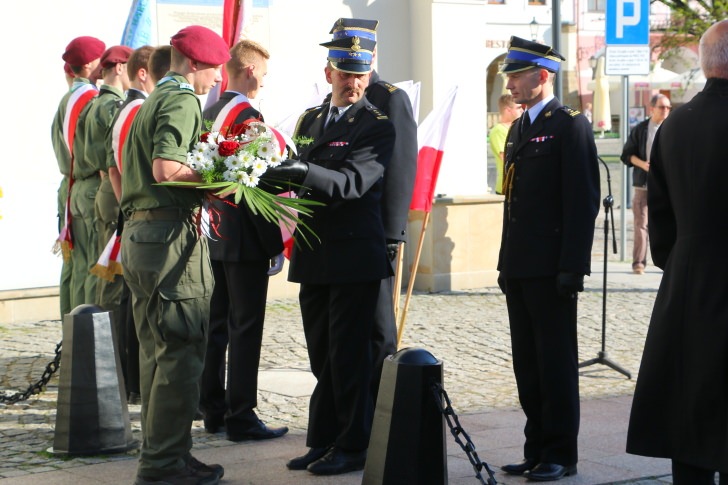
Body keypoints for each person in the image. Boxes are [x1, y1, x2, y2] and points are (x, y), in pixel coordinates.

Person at [261, 32, 395, 476]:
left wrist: (303, 171)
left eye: (360, 75)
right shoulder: (311, 119)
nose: (352, 83)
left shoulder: (376, 124)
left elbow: (353, 183)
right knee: (321, 355)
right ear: (329, 74)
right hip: (316, 254)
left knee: (349, 356)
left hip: (355, 258)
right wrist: (263, 175)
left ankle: (353, 445)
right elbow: (295, 176)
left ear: (368, 75)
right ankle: (322, 440)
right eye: (345, 74)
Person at [120, 25, 230, 485]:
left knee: (156, 353)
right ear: (198, 65)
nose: (216, 81)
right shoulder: (182, 98)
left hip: (143, 236)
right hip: (168, 240)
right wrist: (221, 177)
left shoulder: (150, 101)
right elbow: (166, 167)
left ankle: (170, 454)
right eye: (215, 71)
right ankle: (163, 464)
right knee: (180, 353)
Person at [626, 20, 728, 485]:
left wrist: (682, 260)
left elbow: (659, 214)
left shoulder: (675, 123)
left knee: (690, 407)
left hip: (688, 281)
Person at [496, 36, 600, 482]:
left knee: (555, 364)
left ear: (541, 76)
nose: (511, 84)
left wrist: (571, 267)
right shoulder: (519, 127)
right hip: (520, 265)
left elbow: (583, 201)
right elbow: (512, 202)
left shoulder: (569, 125)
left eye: (517, 76)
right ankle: (536, 446)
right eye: (509, 77)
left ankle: (560, 453)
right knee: (528, 364)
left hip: (551, 267)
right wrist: (504, 263)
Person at [198, 39, 288, 442]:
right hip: (243, 238)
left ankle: (212, 408)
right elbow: (258, 183)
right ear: (250, 71)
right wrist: (274, 243)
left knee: (215, 325)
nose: (264, 84)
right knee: (245, 327)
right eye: (263, 75)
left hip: (211, 232)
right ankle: (241, 415)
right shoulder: (247, 115)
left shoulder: (209, 110)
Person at [325, 17, 418, 404]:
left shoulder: (388, 97)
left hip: (374, 232)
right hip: (340, 236)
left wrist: (392, 233)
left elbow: (401, 167)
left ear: (373, 52)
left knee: (378, 328)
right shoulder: (334, 95)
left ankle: (381, 411)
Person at [103, 44, 164, 405]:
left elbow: (112, 167)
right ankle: (137, 383)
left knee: (131, 298)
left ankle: (132, 381)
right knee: (135, 302)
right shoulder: (139, 109)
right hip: (140, 212)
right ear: (145, 72)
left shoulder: (126, 107)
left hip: (130, 210)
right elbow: (123, 168)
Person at [51, 36, 105, 316]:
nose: (105, 65)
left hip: (70, 187)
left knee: (73, 265)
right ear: (87, 65)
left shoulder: (67, 99)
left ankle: (71, 336)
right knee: (92, 266)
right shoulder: (91, 99)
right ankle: (86, 341)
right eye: (101, 60)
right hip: (90, 186)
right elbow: (98, 153)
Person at [87, 45, 132, 317]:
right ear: (119, 67)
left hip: (101, 189)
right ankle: (111, 350)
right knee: (114, 276)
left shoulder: (94, 103)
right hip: (113, 190)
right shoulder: (114, 105)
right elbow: (112, 159)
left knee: (106, 272)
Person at [619, 93, 671, 275]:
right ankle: (638, 262)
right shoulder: (641, 129)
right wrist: (643, 165)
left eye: (668, 108)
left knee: (667, 224)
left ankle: (668, 263)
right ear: (652, 109)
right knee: (641, 225)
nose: (666, 111)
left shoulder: (672, 129)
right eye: (662, 107)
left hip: (667, 187)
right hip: (643, 185)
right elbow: (626, 155)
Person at [488, 94, 523, 195]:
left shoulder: (516, 128)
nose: (522, 111)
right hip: (507, 185)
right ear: (508, 110)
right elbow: (507, 157)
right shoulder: (498, 130)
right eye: (518, 108)